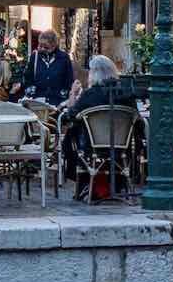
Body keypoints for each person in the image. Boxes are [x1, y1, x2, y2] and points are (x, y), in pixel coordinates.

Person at [57, 55, 134, 192]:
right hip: (122, 145)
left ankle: (82, 179)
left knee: (71, 133)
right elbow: (137, 120)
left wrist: (73, 95)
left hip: (92, 146)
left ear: (94, 73)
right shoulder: (125, 94)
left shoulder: (90, 95)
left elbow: (69, 117)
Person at [23, 30, 76, 105]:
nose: (42, 49)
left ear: (54, 46)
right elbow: (28, 78)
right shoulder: (34, 57)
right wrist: (31, 93)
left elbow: (69, 80)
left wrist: (64, 98)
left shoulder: (64, 58)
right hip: (37, 101)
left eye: (46, 47)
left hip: (58, 101)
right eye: (40, 46)